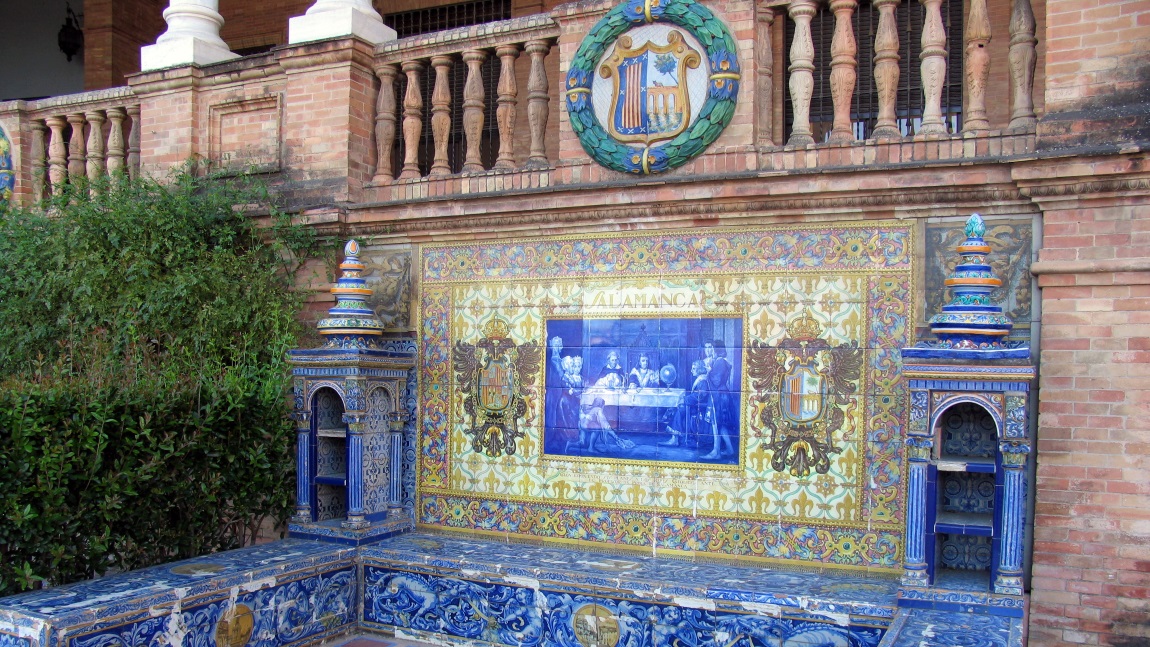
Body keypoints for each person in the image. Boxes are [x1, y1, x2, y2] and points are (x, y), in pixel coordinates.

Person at [662, 359, 710, 447]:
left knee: (680, 409)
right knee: (678, 408)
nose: (691, 371)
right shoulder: (700, 379)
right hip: (695, 405)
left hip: (699, 407)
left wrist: (685, 399)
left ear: (699, 369)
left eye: (694, 368)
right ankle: (675, 438)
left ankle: (675, 438)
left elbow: (700, 396)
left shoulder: (703, 380)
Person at [702, 340, 736, 459]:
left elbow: (716, 380)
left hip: (719, 396)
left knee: (715, 423)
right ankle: (730, 449)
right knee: (721, 424)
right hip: (720, 395)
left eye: (712, 348)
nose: (710, 351)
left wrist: (708, 372)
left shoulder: (720, 361)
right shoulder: (720, 361)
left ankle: (716, 452)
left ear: (717, 350)